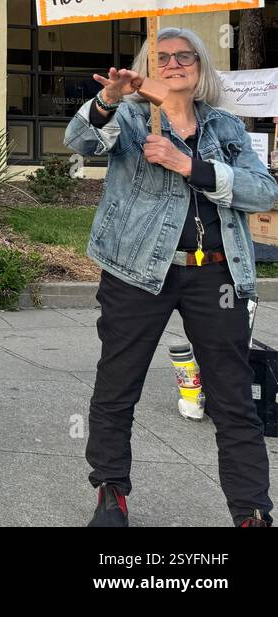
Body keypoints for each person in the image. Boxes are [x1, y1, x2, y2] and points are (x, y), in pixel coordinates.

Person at [67, 27, 274, 528]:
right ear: (150, 67)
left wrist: (191, 165)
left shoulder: (225, 127)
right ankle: (110, 493)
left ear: (201, 68)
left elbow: (264, 193)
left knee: (232, 397)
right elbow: (80, 142)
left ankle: (250, 511)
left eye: (186, 56)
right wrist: (108, 98)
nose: (175, 63)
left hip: (216, 275)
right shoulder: (133, 118)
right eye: (163, 58)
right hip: (136, 273)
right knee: (118, 387)